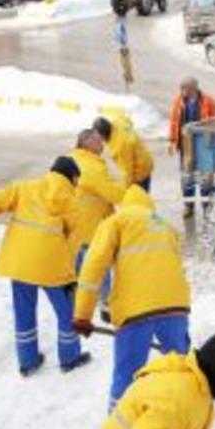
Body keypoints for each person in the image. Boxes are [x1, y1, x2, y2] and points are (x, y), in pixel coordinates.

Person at [0, 156, 91, 376]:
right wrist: (70, 277)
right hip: (53, 269)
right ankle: (70, 358)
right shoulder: (72, 203)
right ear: (72, 177)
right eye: (77, 180)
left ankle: (28, 362)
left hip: (20, 264)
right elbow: (72, 245)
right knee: (67, 313)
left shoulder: (24, 188)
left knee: (24, 312)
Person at [73, 185, 192, 410]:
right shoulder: (166, 226)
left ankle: (118, 427)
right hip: (177, 307)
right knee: (179, 370)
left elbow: (93, 268)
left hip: (136, 312)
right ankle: (182, 417)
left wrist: (82, 315)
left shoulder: (116, 222)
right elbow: (177, 269)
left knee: (127, 374)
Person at [69, 129, 127, 321]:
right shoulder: (91, 167)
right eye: (97, 139)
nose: (101, 142)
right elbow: (115, 194)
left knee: (79, 265)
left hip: (77, 225)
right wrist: (125, 185)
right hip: (91, 226)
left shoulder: (75, 159)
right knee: (99, 265)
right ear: (86, 143)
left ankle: (75, 300)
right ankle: (105, 306)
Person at [168, 76, 215, 218]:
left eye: (184, 89)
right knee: (187, 177)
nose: (182, 92)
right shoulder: (178, 102)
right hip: (186, 146)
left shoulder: (209, 101)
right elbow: (174, 122)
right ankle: (188, 206)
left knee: (205, 178)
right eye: (181, 89)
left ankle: (207, 207)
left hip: (204, 146)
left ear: (193, 88)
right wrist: (172, 141)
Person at [92, 114, 155, 191]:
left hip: (140, 171)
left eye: (98, 137)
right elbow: (127, 119)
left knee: (138, 199)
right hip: (144, 157)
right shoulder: (118, 122)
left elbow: (128, 172)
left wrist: (124, 191)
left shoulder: (120, 147)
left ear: (103, 135)